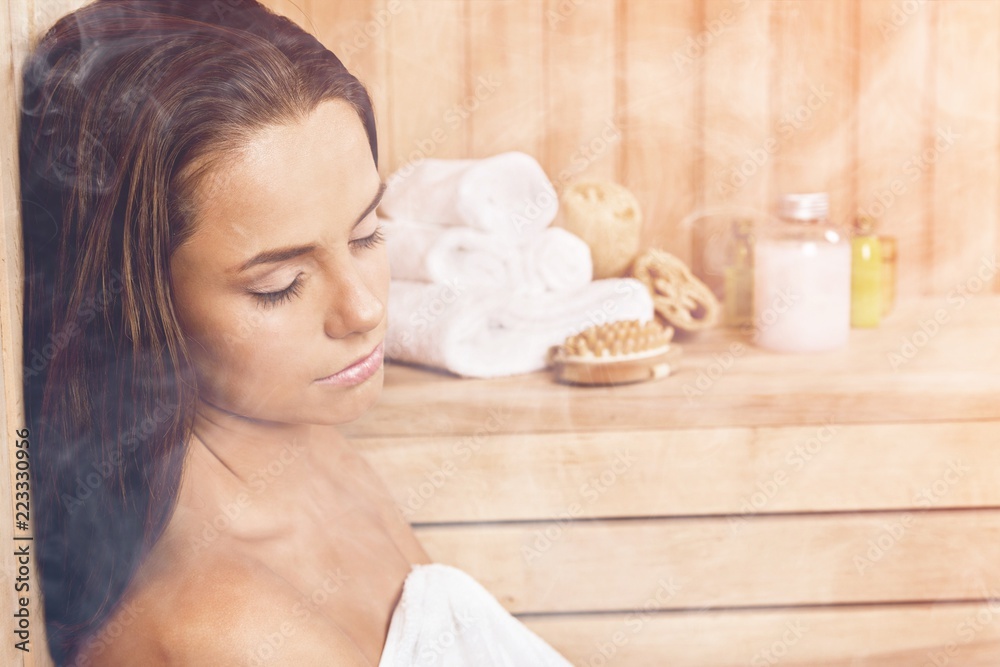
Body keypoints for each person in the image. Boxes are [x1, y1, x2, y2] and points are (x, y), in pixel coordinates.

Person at [20, 1, 574, 665]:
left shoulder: (305, 442)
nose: (363, 309)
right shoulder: (225, 631)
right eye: (278, 284)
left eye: (367, 234)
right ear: (133, 301)